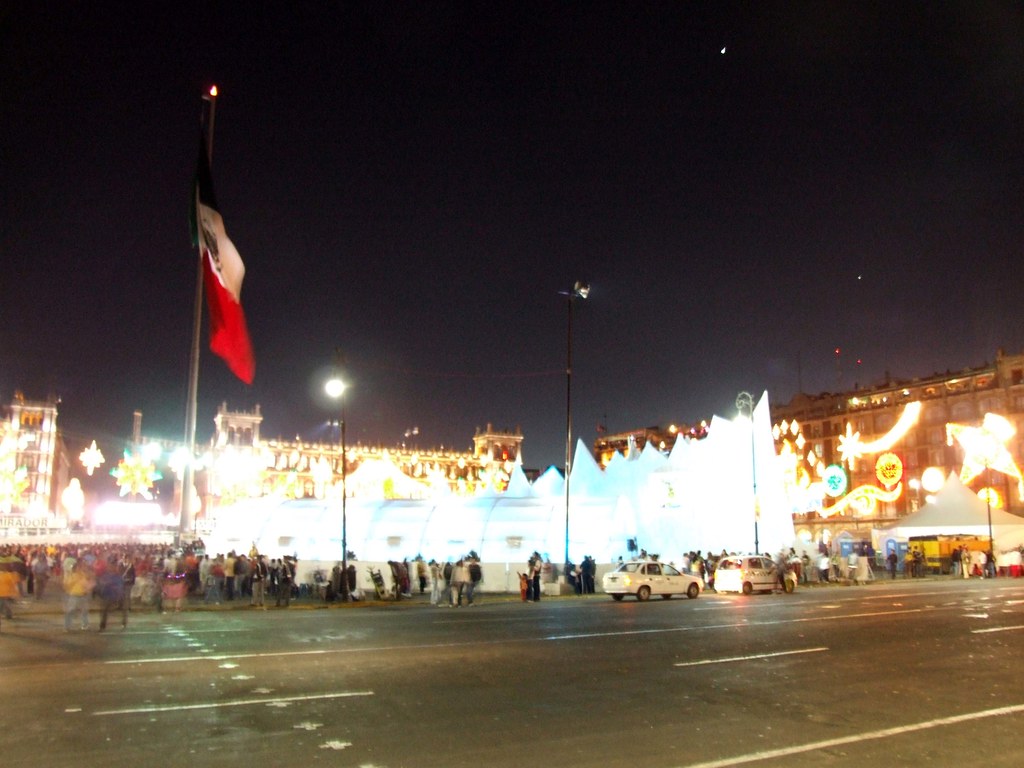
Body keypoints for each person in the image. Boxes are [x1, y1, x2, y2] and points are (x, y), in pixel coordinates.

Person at [63, 560, 96, 632]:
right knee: (70, 611)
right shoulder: (71, 575)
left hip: (83, 595)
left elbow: (90, 579)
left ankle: (85, 625)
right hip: (74, 595)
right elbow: (67, 584)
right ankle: (67, 626)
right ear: (74, 568)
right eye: (78, 567)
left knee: (84, 611)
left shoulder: (82, 574)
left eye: (80, 567)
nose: (79, 568)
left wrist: (89, 586)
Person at [97, 556, 127, 631]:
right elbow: (101, 582)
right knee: (104, 611)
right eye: (111, 564)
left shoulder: (117, 575)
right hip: (107, 595)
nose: (112, 566)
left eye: (113, 565)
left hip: (115, 594)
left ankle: (123, 623)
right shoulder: (105, 574)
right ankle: (102, 626)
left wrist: (118, 591)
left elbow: (120, 584)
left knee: (123, 609)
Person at [0, 546, 24, 627]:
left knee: (3, 605)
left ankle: (8, 615)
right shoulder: (9, 574)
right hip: (4, 593)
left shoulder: (9, 574)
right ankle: (9, 614)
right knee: (5, 604)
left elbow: (16, 581)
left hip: (4, 593)